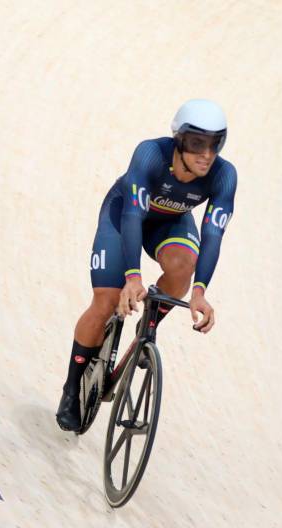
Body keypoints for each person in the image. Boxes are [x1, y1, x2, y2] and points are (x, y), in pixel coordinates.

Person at [56, 99, 238, 431]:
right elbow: (132, 215)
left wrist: (200, 292)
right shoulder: (150, 155)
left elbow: (213, 234)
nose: (207, 154)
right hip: (122, 216)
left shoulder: (225, 176)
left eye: (216, 144)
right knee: (106, 300)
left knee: (185, 265)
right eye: (198, 143)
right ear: (179, 141)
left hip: (170, 224)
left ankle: (147, 328)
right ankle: (72, 387)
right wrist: (132, 276)